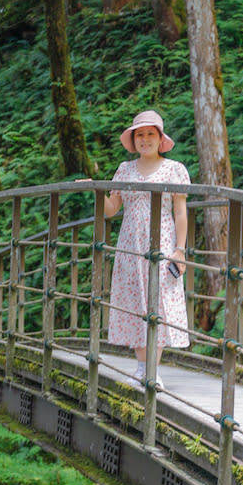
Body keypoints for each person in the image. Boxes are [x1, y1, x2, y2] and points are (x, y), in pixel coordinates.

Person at [102, 109, 190, 389]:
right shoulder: (124, 169)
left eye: (150, 134)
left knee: (159, 302)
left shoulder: (174, 169)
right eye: (140, 134)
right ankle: (141, 367)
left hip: (162, 241)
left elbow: (180, 211)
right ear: (133, 139)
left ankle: (152, 369)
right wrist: (93, 192)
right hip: (130, 243)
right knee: (135, 301)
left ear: (160, 138)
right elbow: (111, 209)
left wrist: (180, 249)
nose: (145, 139)